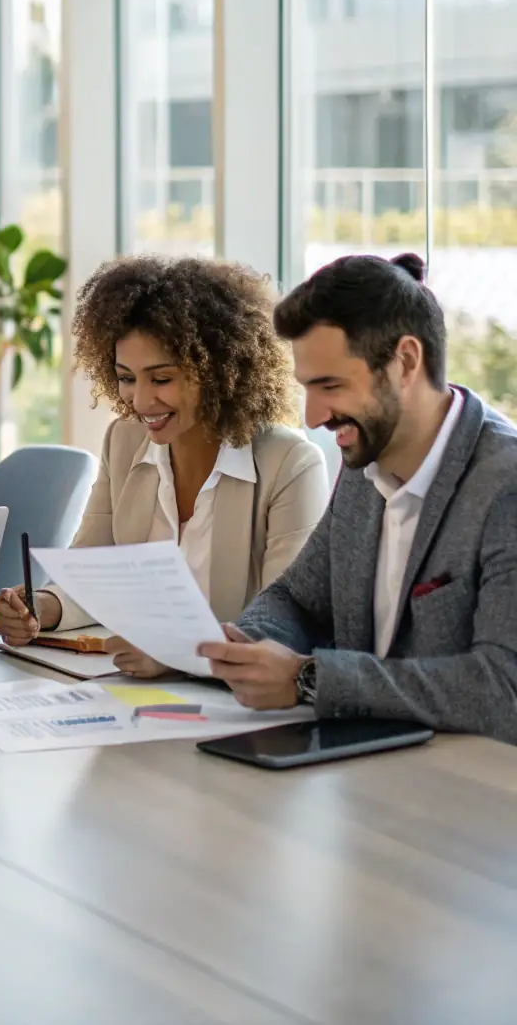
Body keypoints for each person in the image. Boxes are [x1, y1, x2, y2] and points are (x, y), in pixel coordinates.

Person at [197, 252, 517, 746]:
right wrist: (247, 642)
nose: (313, 416)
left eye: (331, 386)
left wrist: (308, 679)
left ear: (406, 362)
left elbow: (502, 688)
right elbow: (296, 599)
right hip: (371, 776)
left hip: (474, 798)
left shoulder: (505, 485)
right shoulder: (366, 465)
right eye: (308, 388)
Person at [0, 256, 329, 673]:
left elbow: (286, 627)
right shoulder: (124, 440)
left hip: (234, 702)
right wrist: (40, 608)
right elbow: (95, 573)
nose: (140, 401)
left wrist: (176, 655)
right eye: (127, 377)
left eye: (162, 379)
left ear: (219, 369)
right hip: (136, 691)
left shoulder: (290, 465)